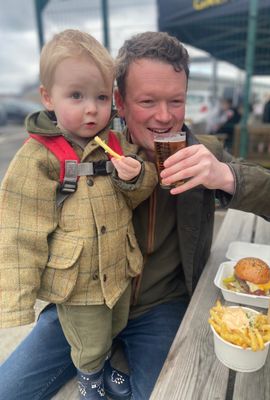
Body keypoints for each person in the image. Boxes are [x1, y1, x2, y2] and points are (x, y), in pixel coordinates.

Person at [1, 31, 270, 400]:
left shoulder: (203, 153)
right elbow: (20, 223)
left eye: (176, 101)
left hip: (160, 308)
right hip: (83, 300)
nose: (164, 116)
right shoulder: (87, 152)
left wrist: (226, 176)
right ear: (120, 104)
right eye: (147, 101)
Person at [0, 29, 157, 400]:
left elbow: (141, 189)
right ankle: (90, 377)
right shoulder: (40, 157)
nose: (92, 108)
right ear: (47, 98)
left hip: (118, 268)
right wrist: (17, 301)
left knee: (114, 324)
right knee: (89, 339)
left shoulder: (115, 144)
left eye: (101, 97)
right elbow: (20, 229)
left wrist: (136, 177)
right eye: (76, 96)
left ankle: (100, 365)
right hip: (78, 279)